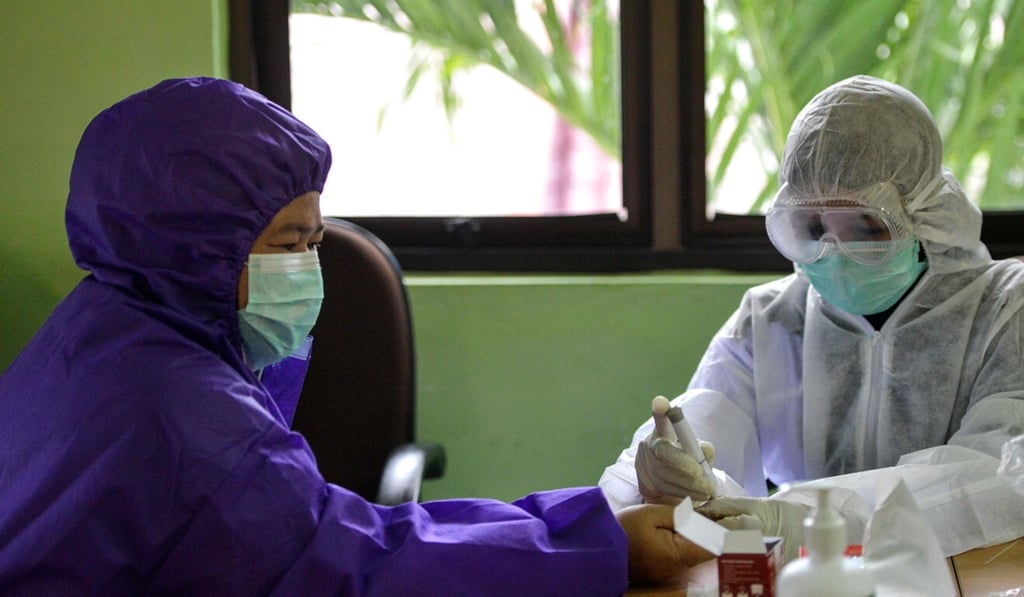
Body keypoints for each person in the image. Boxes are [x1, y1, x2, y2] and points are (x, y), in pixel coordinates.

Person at [0, 77, 709, 594]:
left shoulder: (95, 331)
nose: (311, 268)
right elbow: (365, 567)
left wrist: (588, 519)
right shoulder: (191, 426)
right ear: (197, 246)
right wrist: (603, 546)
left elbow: (335, 533)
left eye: (316, 238)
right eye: (291, 242)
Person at [600, 75, 1024, 561]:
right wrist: (665, 473)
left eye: (865, 226)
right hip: (809, 571)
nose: (834, 250)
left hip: (966, 570)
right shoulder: (771, 318)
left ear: (923, 212)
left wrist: (810, 518)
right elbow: (709, 417)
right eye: (813, 225)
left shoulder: (1006, 311)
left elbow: (1003, 474)